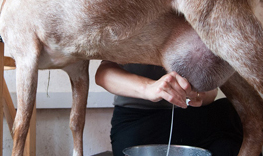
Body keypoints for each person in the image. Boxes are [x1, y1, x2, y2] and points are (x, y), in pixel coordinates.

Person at [95, 61, 244, 156]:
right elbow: (102, 74)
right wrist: (149, 88)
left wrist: (199, 94)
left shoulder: (190, 22)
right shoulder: (130, 18)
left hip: (186, 119)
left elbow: (212, 92)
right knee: (229, 118)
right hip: (137, 124)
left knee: (229, 141)